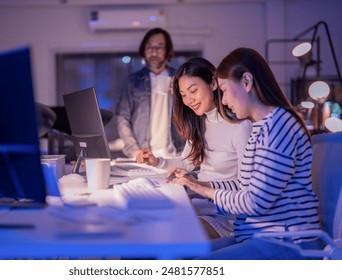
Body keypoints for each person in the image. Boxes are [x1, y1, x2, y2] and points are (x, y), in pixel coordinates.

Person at [169, 48, 321, 259]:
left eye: (225, 89)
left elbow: (254, 202)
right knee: (175, 254)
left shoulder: (279, 127)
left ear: (247, 82)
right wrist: (201, 185)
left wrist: (204, 191)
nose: (223, 101)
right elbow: (244, 186)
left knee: (187, 263)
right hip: (257, 234)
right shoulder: (261, 126)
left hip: (288, 241)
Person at [135, 57, 252, 239]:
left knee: (158, 233)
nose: (189, 100)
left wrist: (199, 185)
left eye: (193, 91)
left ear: (213, 83)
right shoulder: (200, 122)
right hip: (201, 203)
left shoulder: (240, 126)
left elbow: (247, 187)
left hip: (228, 214)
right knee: (139, 224)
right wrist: (158, 162)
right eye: (183, 94)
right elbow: (188, 163)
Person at [115, 27, 184, 159]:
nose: (153, 52)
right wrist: (134, 150)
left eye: (159, 47)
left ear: (168, 51)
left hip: (175, 155)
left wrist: (179, 93)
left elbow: (193, 115)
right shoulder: (133, 81)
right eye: (149, 47)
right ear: (143, 50)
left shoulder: (180, 78)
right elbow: (122, 117)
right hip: (142, 156)